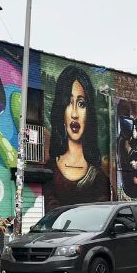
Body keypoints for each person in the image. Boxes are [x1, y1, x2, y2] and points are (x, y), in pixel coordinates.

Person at [46, 66, 109, 209]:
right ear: (61, 109)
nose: (74, 113)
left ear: (89, 112)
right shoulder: (49, 170)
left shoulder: (99, 177)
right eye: (68, 102)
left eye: (81, 104)